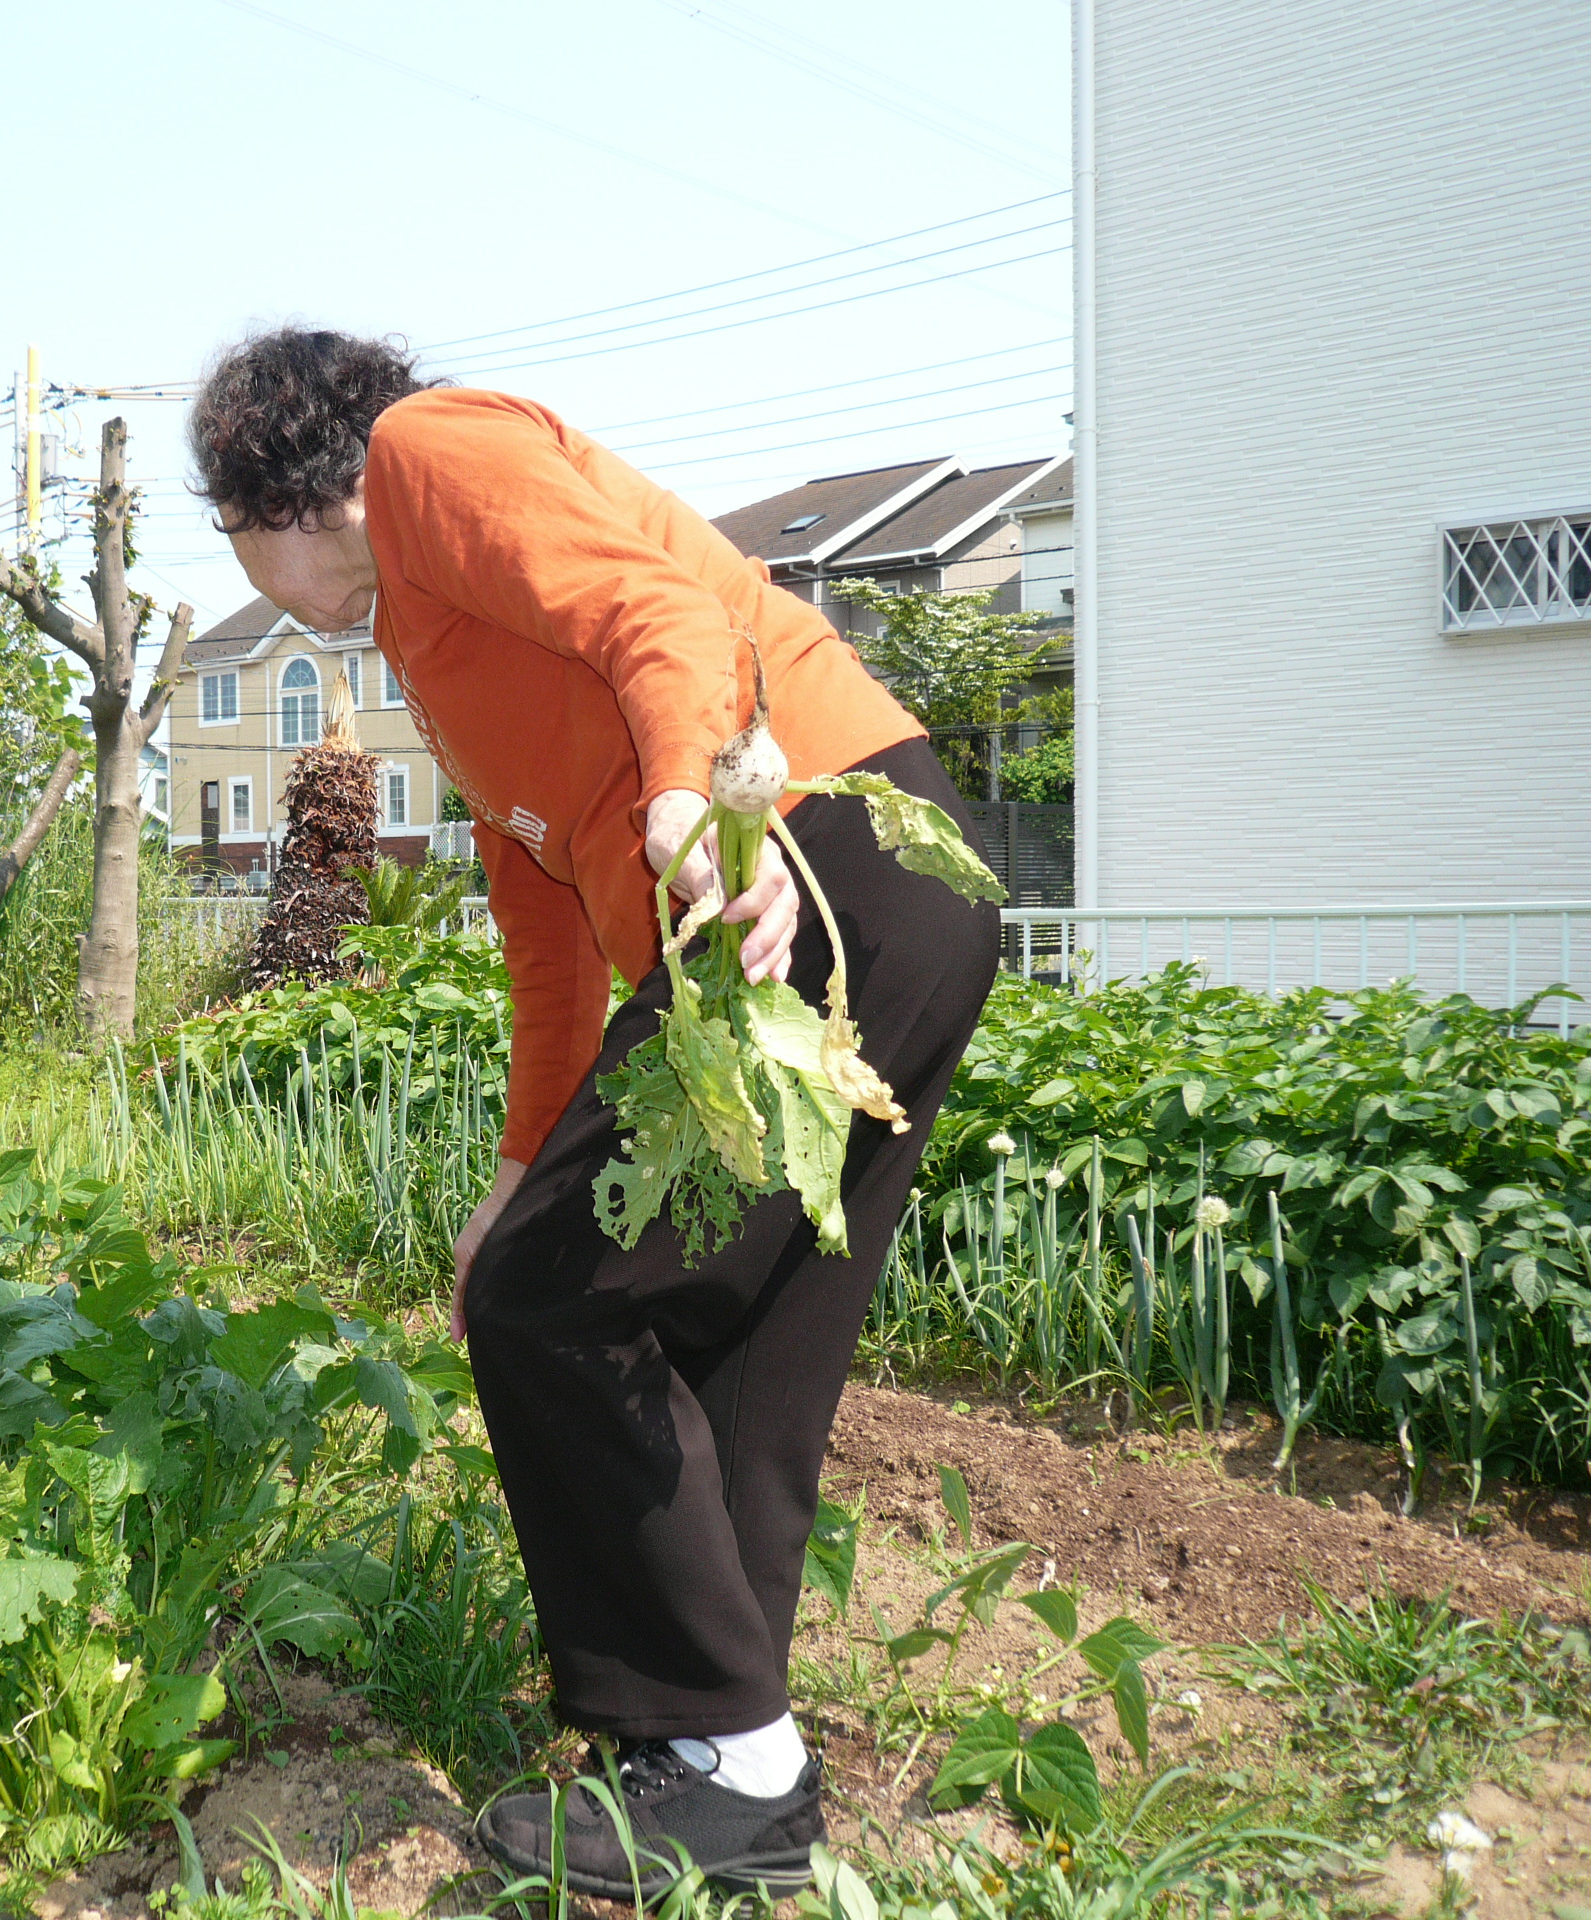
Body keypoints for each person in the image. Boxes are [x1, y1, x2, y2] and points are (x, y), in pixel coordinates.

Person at [189, 327, 1000, 1898]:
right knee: (733, 1346)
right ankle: (723, 1767)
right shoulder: (431, 639)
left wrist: (700, 795)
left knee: (545, 1309)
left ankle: (721, 1753)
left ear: (269, 496)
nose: (248, 569)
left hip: (807, 854)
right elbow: (548, 913)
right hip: (863, 900)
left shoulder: (425, 453)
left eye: (229, 540)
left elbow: (660, 610)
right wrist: (517, 1166)